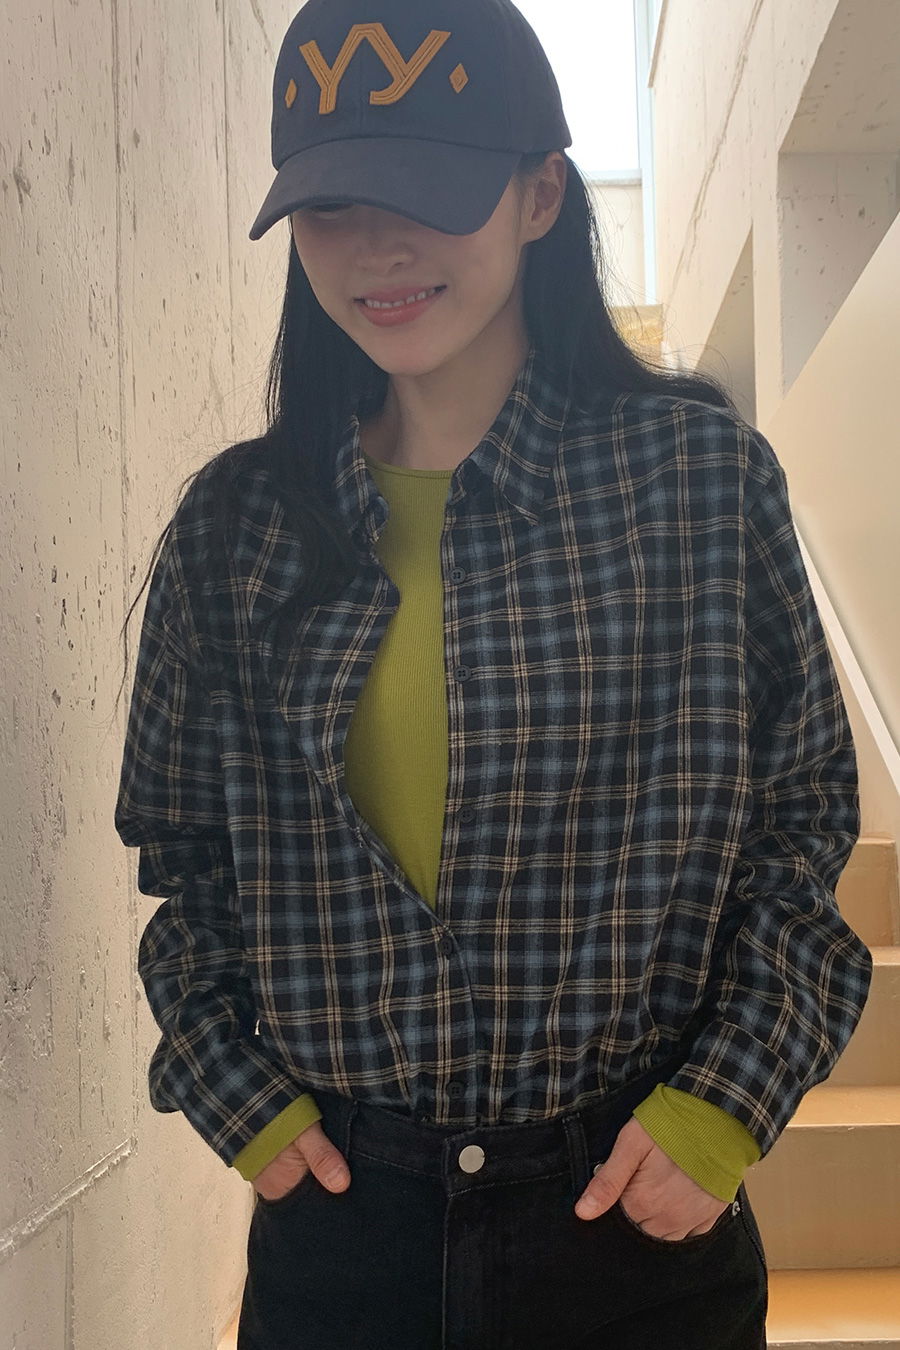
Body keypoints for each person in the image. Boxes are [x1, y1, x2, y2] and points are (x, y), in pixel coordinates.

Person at [113, 0, 874, 1346]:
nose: (377, 247)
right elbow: (185, 862)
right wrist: (244, 1104)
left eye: (430, 190)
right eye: (331, 205)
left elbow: (801, 829)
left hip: (633, 1222)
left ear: (540, 196)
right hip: (341, 1237)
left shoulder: (699, 486)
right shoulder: (237, 530)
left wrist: (724, 1106)